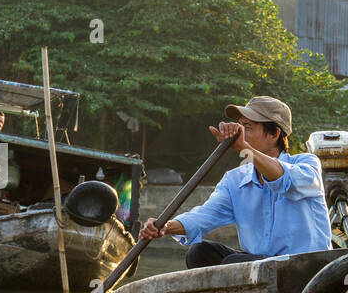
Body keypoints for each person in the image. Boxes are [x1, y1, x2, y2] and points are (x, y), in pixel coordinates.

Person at [139, 96, 330, 267]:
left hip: (304, 267)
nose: (241, 134)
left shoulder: (306, 163)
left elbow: (284, 179)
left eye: (248, 128)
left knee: (234, 264)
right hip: (260, 266)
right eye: (240, 126)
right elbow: (204, 216)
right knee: (199, 253)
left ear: (274, 134)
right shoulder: (235, 180)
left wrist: (244, 148)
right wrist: (165, 227)